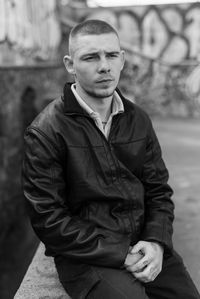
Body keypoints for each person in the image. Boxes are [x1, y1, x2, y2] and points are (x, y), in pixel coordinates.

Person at [22, 19, 200, 299]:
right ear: (70, 64)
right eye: (91, 57)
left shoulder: (138, 119)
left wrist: (156, 241)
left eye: (111, 55)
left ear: (122, 59)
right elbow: (48, 218)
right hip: (86, 256)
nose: (104, 66)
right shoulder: (46, 130)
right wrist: (119, 254)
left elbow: (158, 192)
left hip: (143, 244)